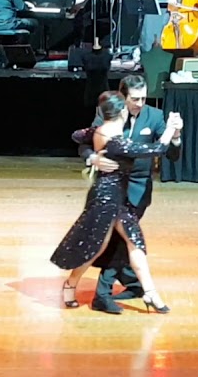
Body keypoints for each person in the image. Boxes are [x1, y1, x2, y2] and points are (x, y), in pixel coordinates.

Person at [54, 91, 177, 315]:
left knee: (135, 242)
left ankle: (150, 292)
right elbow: (156, 149)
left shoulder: (99, 131)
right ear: (122, 111)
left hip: (119, 198)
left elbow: (77, 135)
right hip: (105, 198)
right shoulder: (115, 142)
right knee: (95, 247)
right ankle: (70, 285)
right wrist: (171, 128)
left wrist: (94, 153)